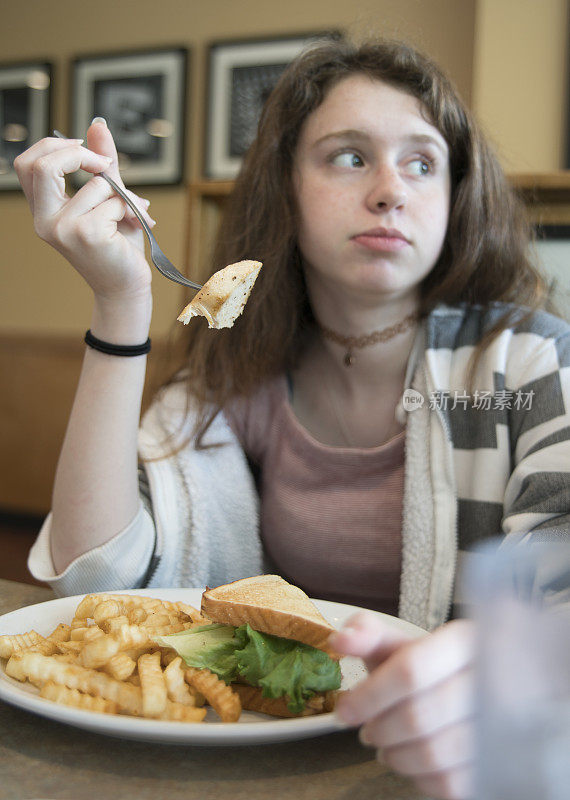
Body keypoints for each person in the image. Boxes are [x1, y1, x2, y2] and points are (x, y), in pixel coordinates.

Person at [16, 37, 570, 800]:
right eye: (349, 157)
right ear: (285, 188)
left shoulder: (530, 364)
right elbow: (95, 572)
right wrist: (121, 303)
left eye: (422, 162)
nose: (389, 190)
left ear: (454, 196)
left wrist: (495, 671)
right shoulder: (241, 370)